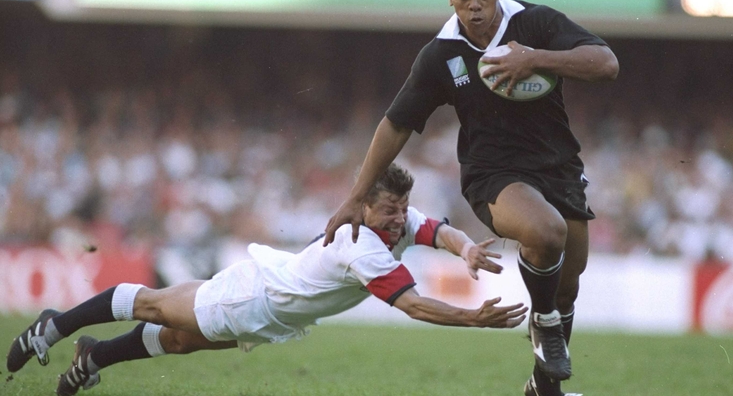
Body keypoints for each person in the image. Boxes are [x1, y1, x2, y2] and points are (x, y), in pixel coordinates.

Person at [323, 0, 619, 396]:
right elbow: (396, 124)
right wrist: (355, 195)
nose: (475, 5)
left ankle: (543, 388)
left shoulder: (535, 23)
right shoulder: (441, 54)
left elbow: (606, 63)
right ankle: (545, 324)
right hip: (493, 174)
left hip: (559, 166)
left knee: (567, 286)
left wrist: (534, 59)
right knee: (546, 232)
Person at [6, 163, 527, 396]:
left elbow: (438, 230)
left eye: (401, 209)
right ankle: (53, 326)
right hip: (255, 297)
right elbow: (412, 305)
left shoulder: (394, 221)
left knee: (182, 342)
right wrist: (473, 319)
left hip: (275, 310)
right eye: (389, 210)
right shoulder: (360, 243)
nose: (399, 219)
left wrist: (467, 249)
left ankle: (93, 357)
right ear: (362, 206)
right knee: (156, 307)